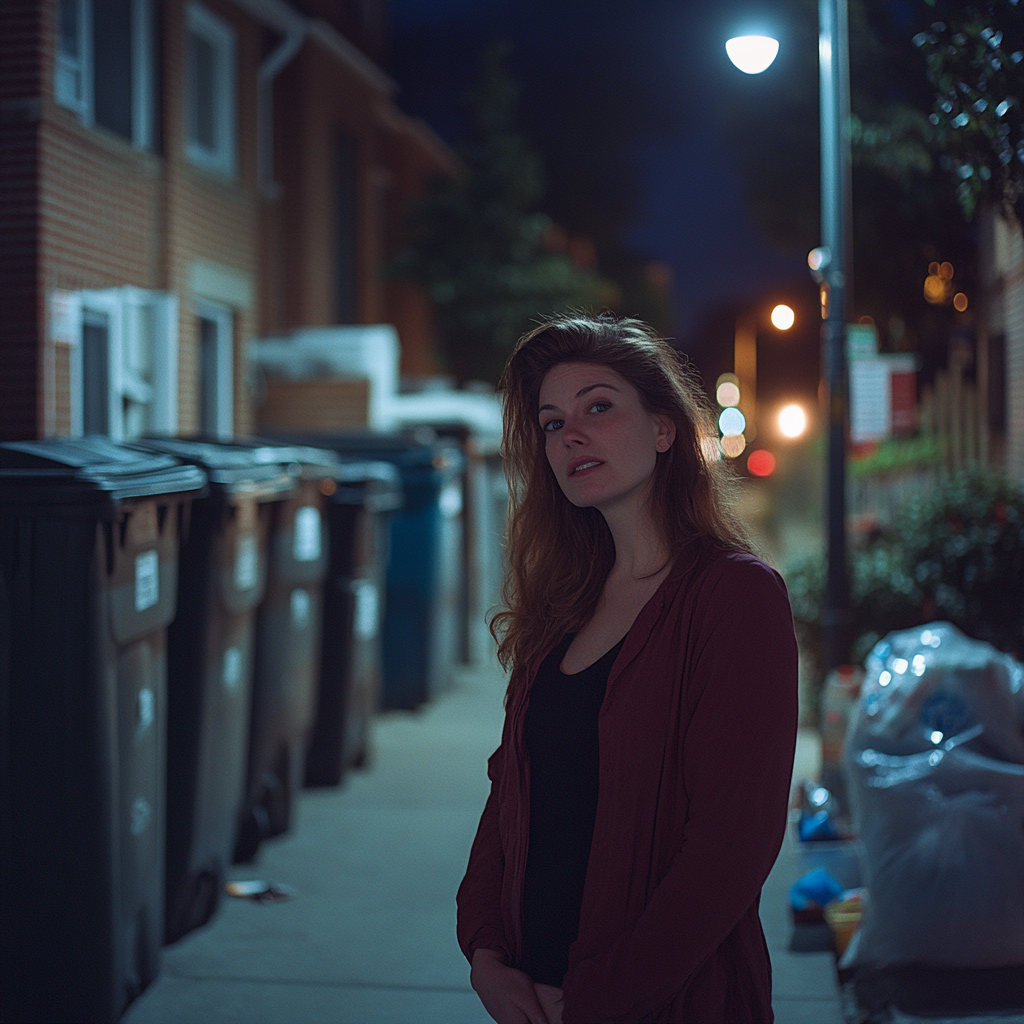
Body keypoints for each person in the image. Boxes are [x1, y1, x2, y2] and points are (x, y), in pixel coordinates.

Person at [456, 314, 799, 1024]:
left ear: (665, 429)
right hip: (532, 997)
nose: (571, 434)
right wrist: (486, 957)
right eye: (552, 423)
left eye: (599, 407)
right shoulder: (563, 605)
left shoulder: (734, 596)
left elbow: (731, 847)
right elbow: (510, 794)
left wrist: (599, 998)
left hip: (664, 1004)